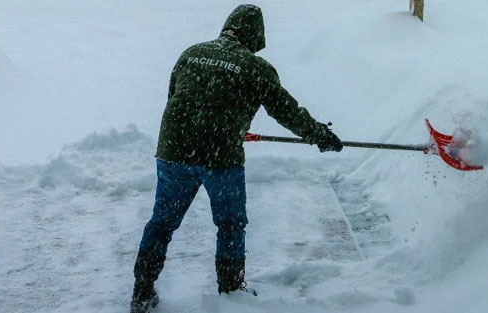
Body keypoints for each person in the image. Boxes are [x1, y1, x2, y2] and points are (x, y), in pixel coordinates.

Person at [130, 4, 343, 312]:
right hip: (221, 158)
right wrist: (319, 135)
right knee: (230, 224)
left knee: (162, 222)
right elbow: (286, 112)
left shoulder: (191, 53)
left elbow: (177, 97)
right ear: (256, 37)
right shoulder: (256, 67)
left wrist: (214, 125)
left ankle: (142, 290)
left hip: (174, 151)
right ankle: (230, 291)